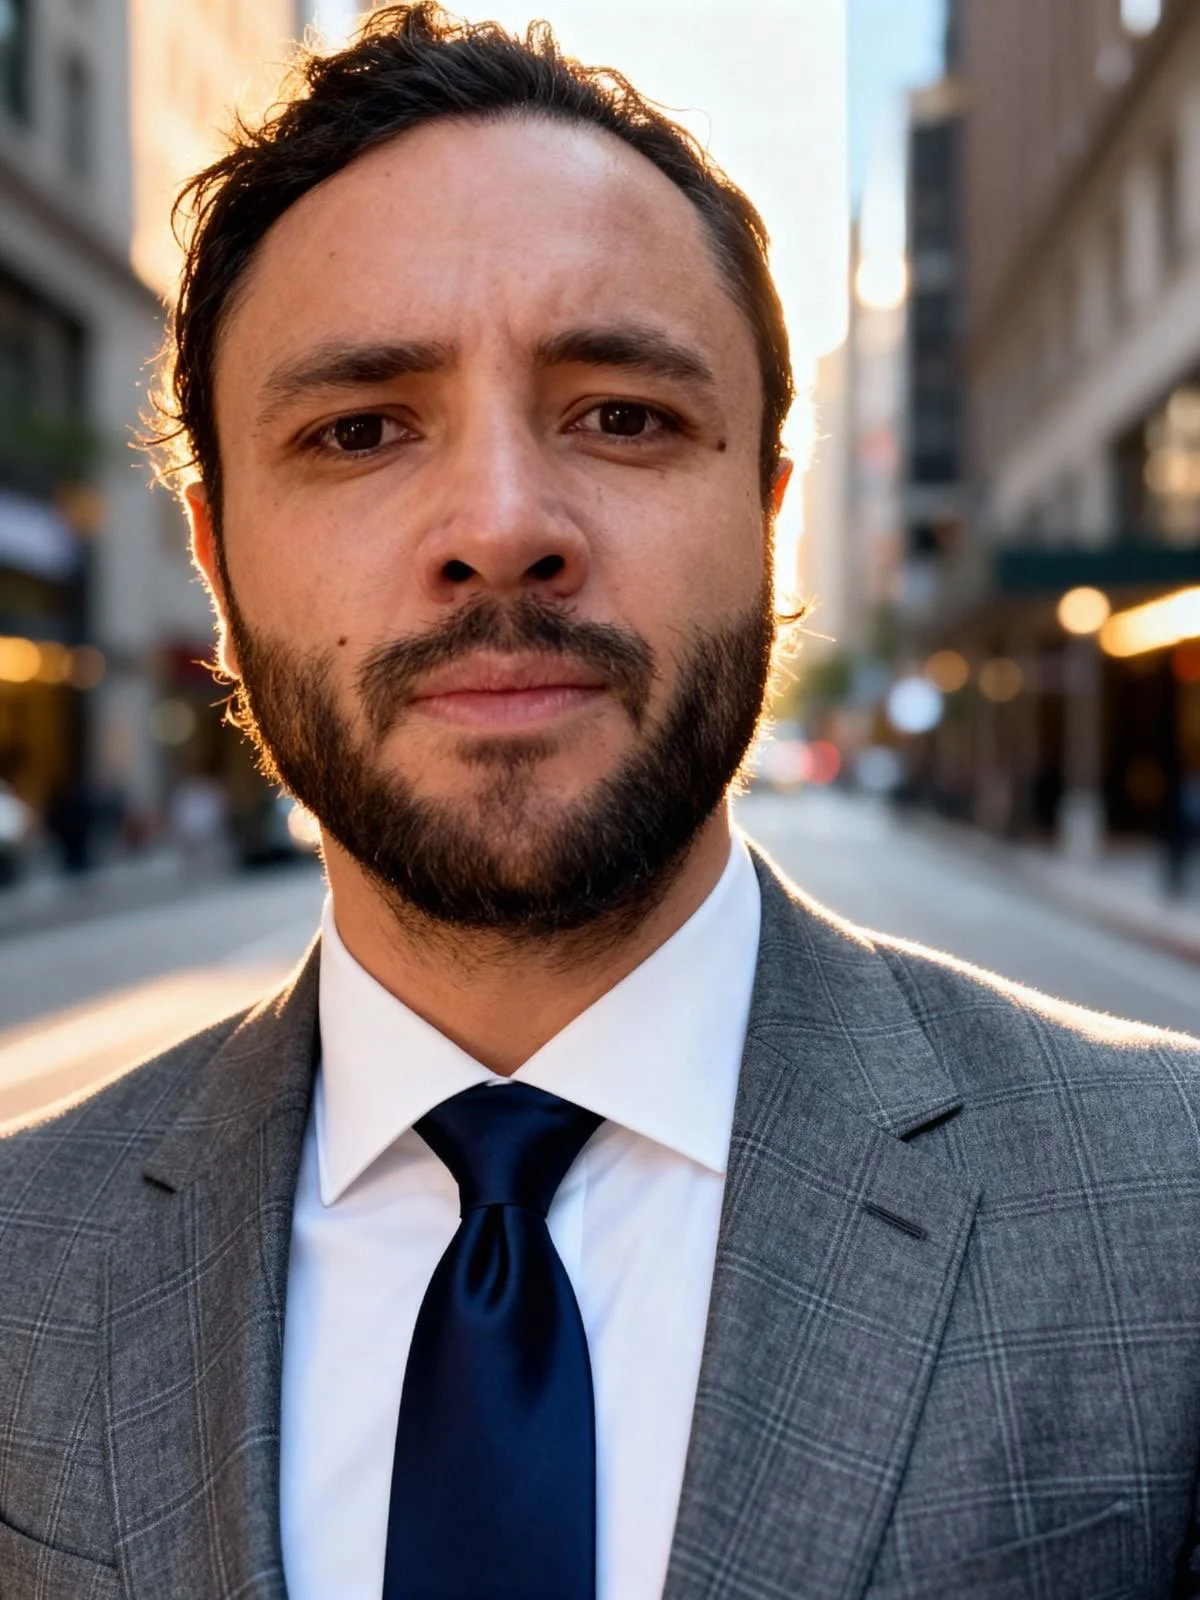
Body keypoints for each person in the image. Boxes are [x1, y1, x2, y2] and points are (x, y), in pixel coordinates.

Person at [2, 8, 1200, 1598]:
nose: (501, 528)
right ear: (216, 567)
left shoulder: (1168, 1208)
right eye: (359, 431)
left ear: (771, 526)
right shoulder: (20, 1262)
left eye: (624, 416)